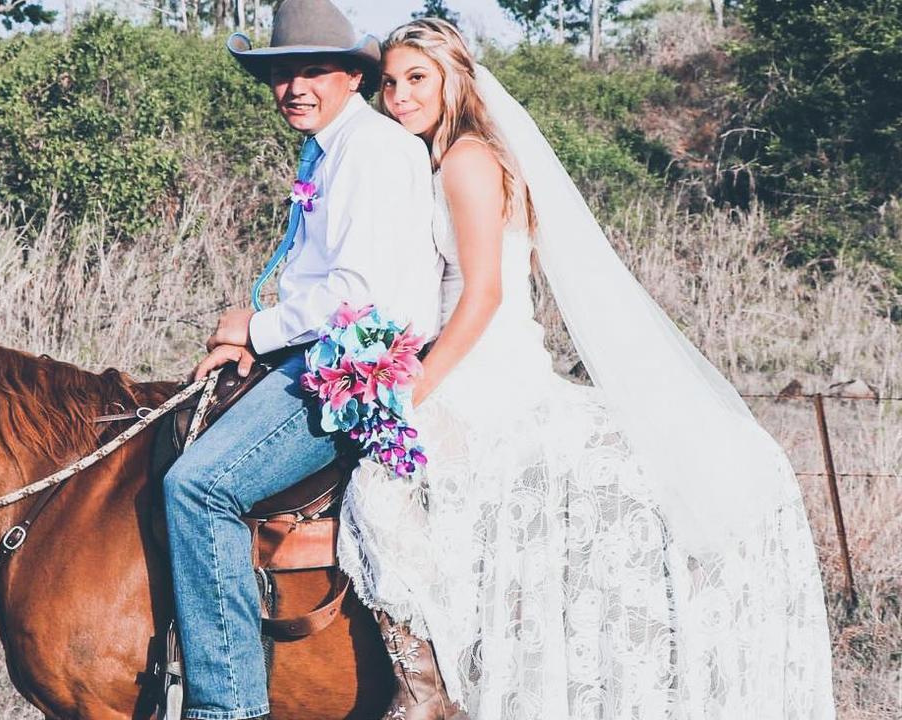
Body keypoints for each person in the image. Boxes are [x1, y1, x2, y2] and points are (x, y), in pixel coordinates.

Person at [336, 18, 837, 720]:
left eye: (417, 78)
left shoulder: (466, 162)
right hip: (483, 356)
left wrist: (415, 387)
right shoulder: (464, 156)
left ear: (455, 77)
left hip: (485, 367)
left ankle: (425, 693)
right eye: (389, 82)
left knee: (377, 489)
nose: (399, 96)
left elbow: (484, 295)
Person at [161, 2, 443, 718]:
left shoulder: (373, 151)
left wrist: (254, 329)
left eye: (312, 71)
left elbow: (359, 294)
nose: (294, 87)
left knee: (198, 487)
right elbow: (316, 281)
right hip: (322, 346)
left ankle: (226, 708)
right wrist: (244, 335)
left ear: (353, 75)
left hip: (362, 364)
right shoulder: (329, 147)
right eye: (283, 74)